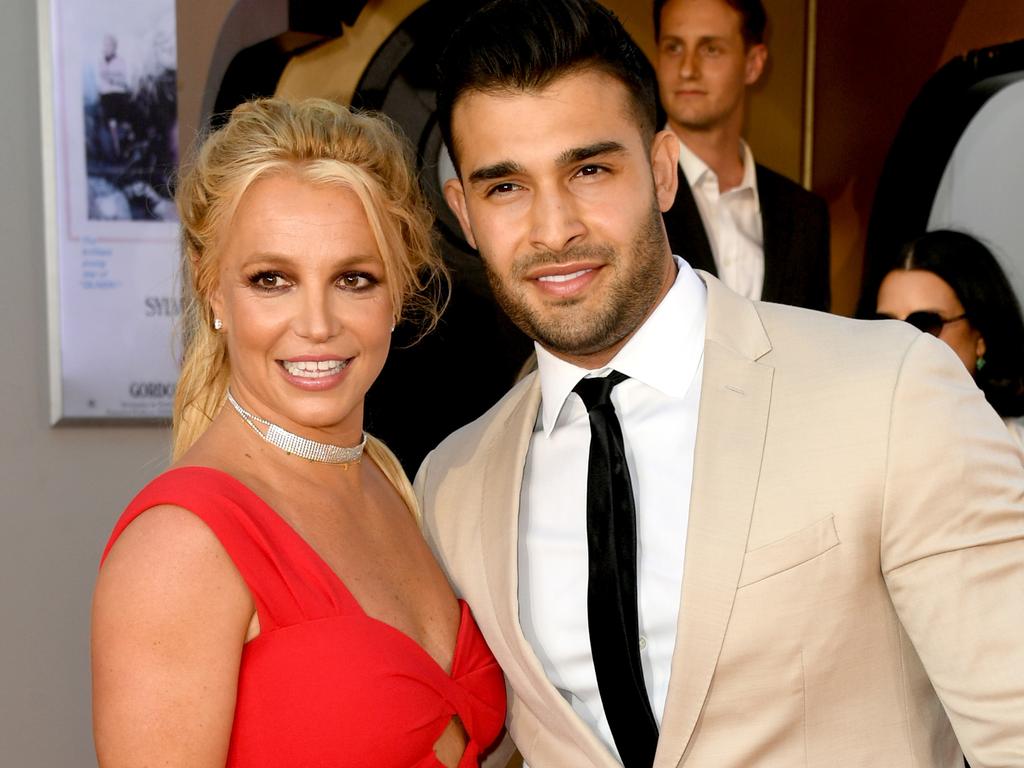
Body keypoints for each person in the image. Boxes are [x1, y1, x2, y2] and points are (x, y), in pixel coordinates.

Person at [417, 1, 1024, 766]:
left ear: (664, 170)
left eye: (591, 169)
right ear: (464, 214)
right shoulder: (452, 486)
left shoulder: (891, 391)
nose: (553, 227)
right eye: (505, 187)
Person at [91, 98, 506, 767]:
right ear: (213, 291)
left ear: (397, 291)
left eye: (353, 279)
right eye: (272, 280)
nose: (316, 324)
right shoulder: (180, 547)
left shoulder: (393, 481)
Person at [653, 0, 831, 310]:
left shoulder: (805, 216)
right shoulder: (631, 191)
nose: (687, 69)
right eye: (673, 48)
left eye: (710, 49)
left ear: (754, 63)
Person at [876, 229, 1024, 450]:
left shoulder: (1012, 455)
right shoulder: (854, 440)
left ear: (981, 336)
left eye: (925, 323)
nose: (902, 339)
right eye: (885, 325)